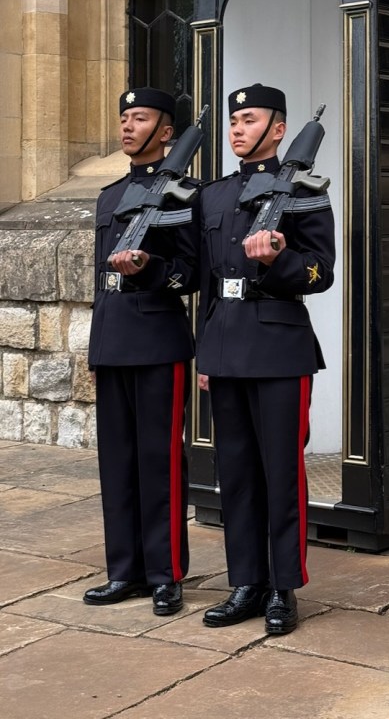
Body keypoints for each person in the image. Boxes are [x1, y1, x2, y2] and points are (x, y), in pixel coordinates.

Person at [197, 84, 335, 635]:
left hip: (279, 346)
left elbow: (321, 271)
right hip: (225, 347)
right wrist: (205, 353)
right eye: (234, 121)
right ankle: (246, 583)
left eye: (249, 119)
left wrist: (281, 259)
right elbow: (207, 283)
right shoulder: (212, 196)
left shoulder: (303, 190)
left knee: (281, 473)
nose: (237, 128)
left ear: (278, 129)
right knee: (235, 473)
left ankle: (283, 587)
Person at [84, 87, 201, 617]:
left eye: (140, 118)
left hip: (157, 340)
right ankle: (124, 570)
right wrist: (96, 350)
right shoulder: (109, 196)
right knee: (117, 463)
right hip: (114, 341)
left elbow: (191, 273)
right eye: (125, 117)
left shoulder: (185, 194)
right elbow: (99, 282)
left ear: (166, 131)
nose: (128, 126)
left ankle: (165, 573)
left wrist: (149, 269)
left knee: (160, 461)